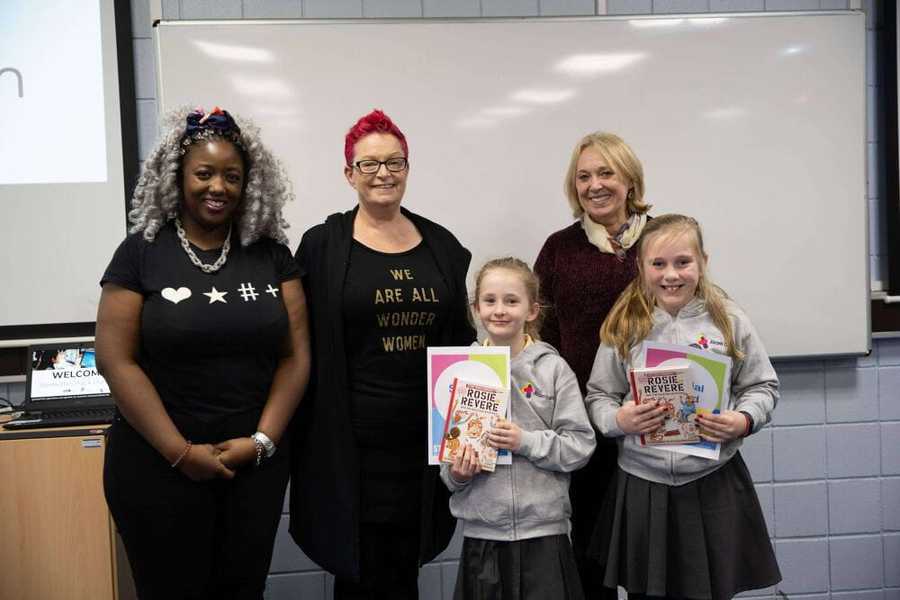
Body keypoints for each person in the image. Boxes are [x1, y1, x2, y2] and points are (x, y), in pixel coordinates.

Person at [96, 106, 310, 599]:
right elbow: (114, 359)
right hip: (156, 467)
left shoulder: (271, 253)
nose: (219, 187)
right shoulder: (141, 252)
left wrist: (262, 441)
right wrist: (180, 453)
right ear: (178, 177)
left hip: (252, 467)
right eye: (205, 174)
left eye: (232, 177)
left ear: (249, 185)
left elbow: (295, 357)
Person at [289, 109, 476, 599]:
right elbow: (298, 341)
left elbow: (461, 340)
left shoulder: (442, 246)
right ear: (349, 174)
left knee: (404, 569)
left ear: (408, 169)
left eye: (395, 162)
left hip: (424, 447)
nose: (383, 174)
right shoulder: (321, 245)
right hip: (348, 446)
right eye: (368, 164)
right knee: (358, 572)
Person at [584, 214, 781, 600]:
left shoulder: (729, 320)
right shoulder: (626, 324)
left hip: (711, 480)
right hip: (643, 484)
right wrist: (618, 420)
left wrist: (742, 420)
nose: (670, 274)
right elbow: (599, 396)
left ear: (703, 262)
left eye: (683, 262)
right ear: (641, 267)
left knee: (710, 591)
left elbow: (763, 386)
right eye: (658, 264)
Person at [532, 131, 651, 597]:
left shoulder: (661, 241)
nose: (594, 185)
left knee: (648, 558)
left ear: (629, 181)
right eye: (583, 176)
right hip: (581, 424)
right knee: (591, 559)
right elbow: (537, 331)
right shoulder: (559, 248)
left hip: (655, 423)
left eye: (606, 173)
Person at [441, 257, 596, 600]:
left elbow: (580, 446)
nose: (500, 310)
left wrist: (524, 441)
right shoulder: (458, 371)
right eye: (490, 300)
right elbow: (448, 474)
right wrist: (460, 474)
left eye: (511, 301)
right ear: (476, 309)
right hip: (483, 537)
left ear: (532, 310)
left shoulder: (553, 369)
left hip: (544, 537)